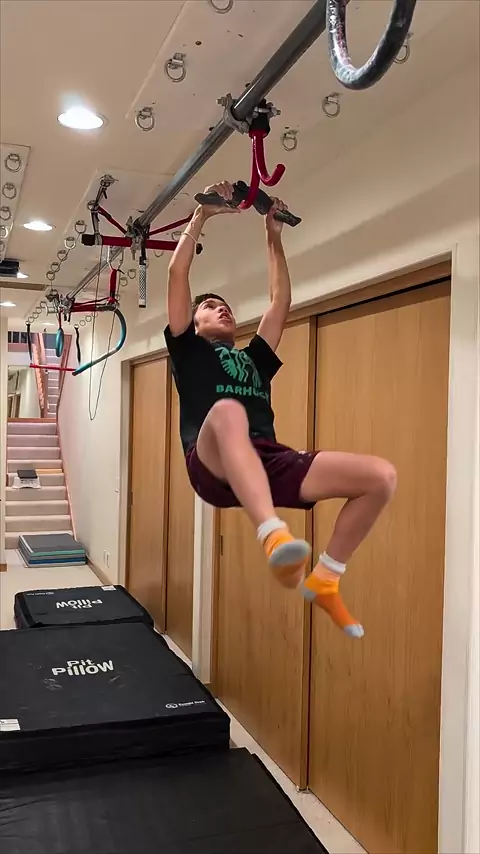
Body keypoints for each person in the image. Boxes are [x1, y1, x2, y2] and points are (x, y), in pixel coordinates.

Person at [165, 181, 397, 638]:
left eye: (225, 306)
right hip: (210, 465)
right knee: (228, 412)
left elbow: (280, 302)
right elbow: (177, 274)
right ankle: (272, 534)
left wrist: (273, 235)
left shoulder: (254, 359)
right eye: (210, 307)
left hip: (264, 461)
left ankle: (327, 579)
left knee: (379, 478)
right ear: (192, 323)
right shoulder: (188, 352)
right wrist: (202, 215)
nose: (222, 310)